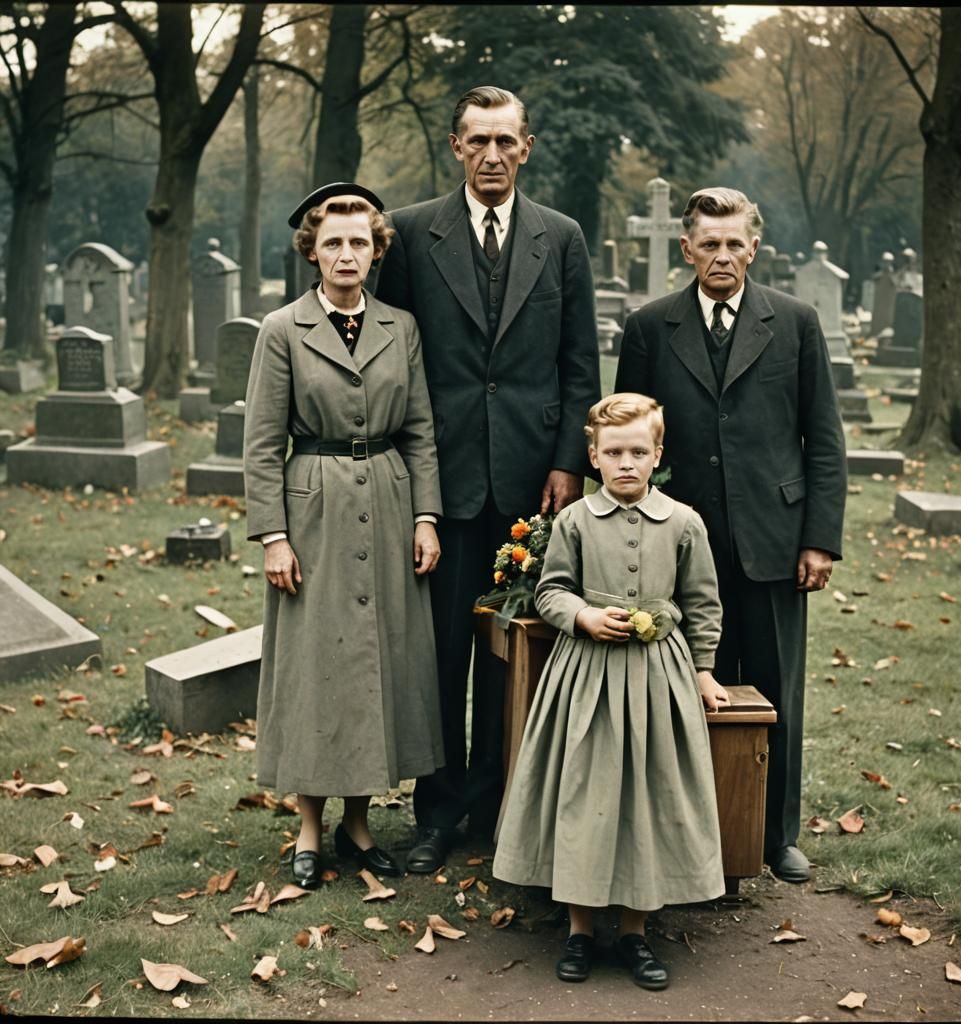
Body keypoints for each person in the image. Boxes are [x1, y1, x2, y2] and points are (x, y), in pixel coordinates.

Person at [374, 85, 601, 872]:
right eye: (479, 141)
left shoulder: (562, 237)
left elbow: (580, 363)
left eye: (507, 141)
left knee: (517, 661)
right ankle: (437, 816)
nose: (494, 155)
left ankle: (507, 807)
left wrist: (570, 463)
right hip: (441, 484)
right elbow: (392, 365)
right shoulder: (409, 235)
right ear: (456, 146)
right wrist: (412, 486)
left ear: (527, 147)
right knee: (440, 656)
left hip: (532, 487)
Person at [614, 186, 846, 885]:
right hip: (678, 540)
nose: (721, 255)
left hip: (773, 538)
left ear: (754, 246)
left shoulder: (796, 322)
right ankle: (680, 830)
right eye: (707, 244)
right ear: (687, 250)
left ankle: (776, 835)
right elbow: (628, 431)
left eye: (733, 243)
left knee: (774, 686)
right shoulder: (651, 326)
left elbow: (824, 439)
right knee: (678, 685)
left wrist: (819, 539)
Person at [243, 182, 445, 889]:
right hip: (314, 510)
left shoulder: (401, 327)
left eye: (360, 241)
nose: (347, 253)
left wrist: (426, 517)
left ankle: (359, 823)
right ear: (312, 251)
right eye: (333, 242)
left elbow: (420, 429)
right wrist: (273, 535)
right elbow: (263, 443)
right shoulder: (281, 330)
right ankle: (308, 826)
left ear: (377, 248)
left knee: (372, 663)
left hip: (388, 501)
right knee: (317, 666)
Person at [492, 393, 729, 989]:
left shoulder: (683, 523)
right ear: (593, 456)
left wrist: (702, 670)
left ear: (657, 455)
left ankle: (634, 932)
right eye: (614, 452)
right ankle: (578, 930)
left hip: (658, 680)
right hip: (587, 679)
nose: (627, 463)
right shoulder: (573, 521)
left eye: (639, 452)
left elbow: (702, 604)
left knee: (647, 798)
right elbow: (550, 592)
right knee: (586, 794)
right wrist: (583, 617)